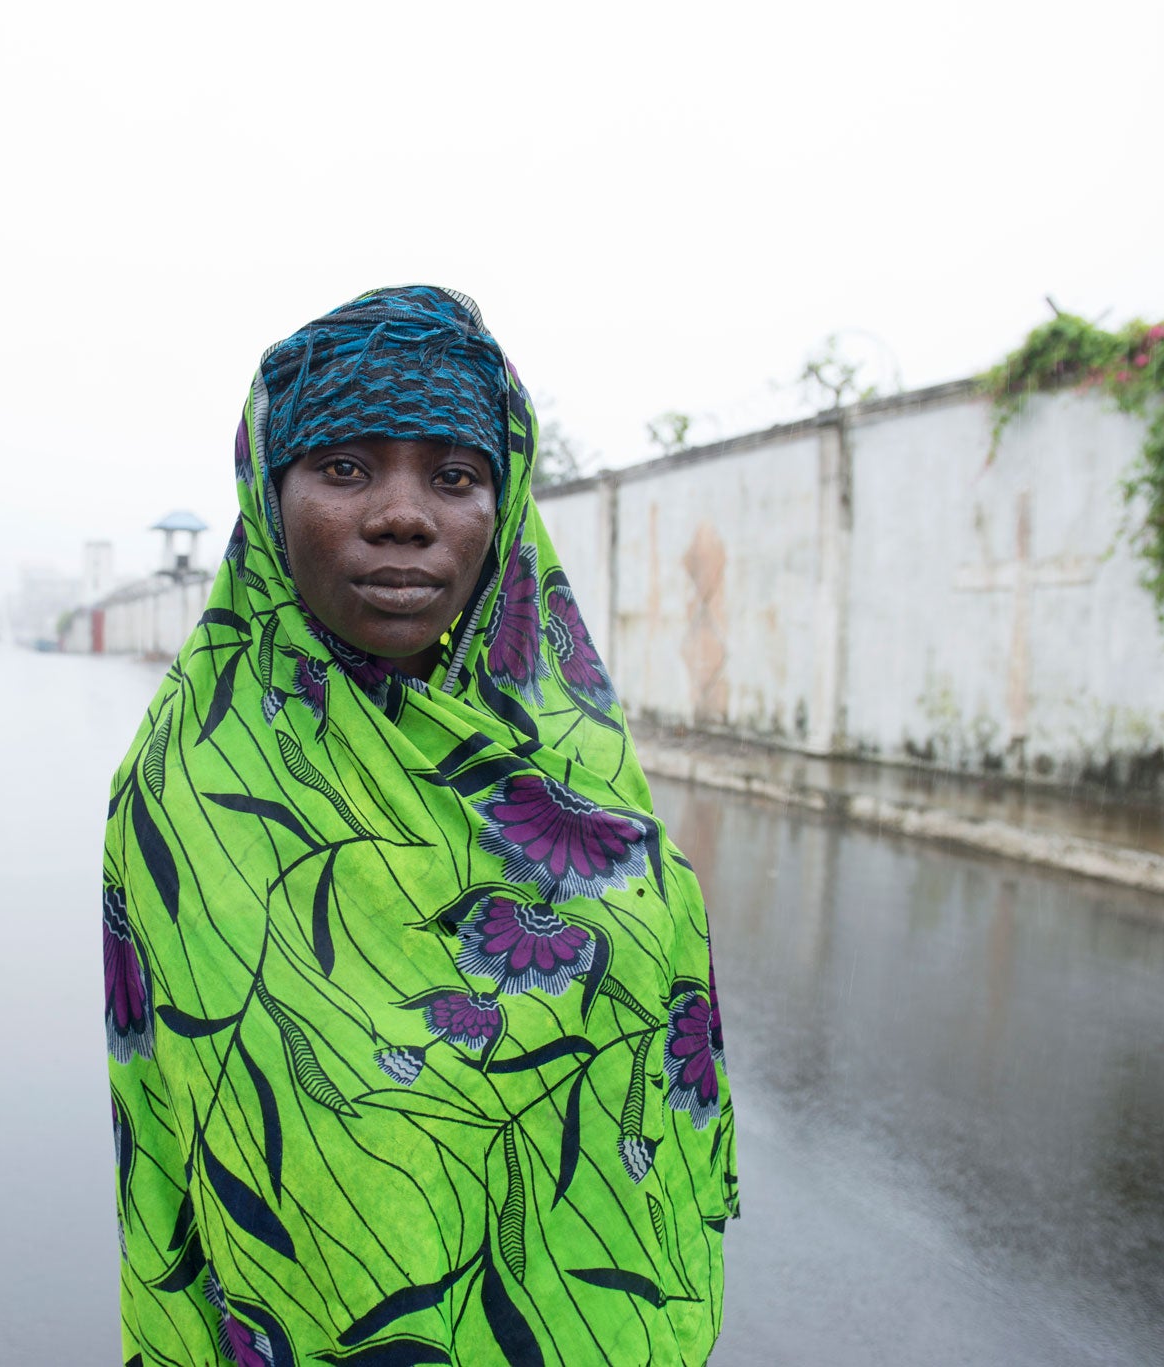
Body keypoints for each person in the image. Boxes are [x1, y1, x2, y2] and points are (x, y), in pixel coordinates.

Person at [102, 286, 736, 1366]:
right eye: (344, 467)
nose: (404, 513)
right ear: (268, 493)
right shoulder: (191, 785)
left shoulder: (570, 758)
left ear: (505, 508)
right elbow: (182, 1144)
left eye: (454, 475)